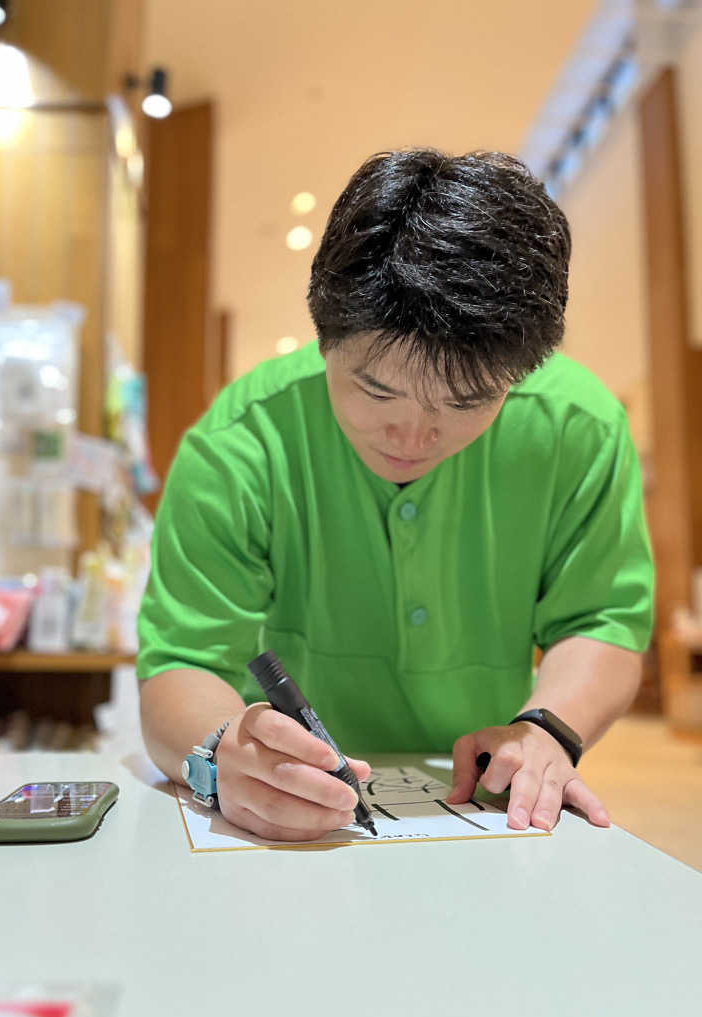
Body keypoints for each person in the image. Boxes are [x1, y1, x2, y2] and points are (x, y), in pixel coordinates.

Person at [137, 148, 654, 842]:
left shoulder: (577, 428)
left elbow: (602, 618)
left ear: (522, 371)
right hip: (291, 815)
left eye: (468, 400)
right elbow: (181, 660)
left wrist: (547, 728)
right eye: (376, 390)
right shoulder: (242, 441)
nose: (412, 433)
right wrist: (222, 750)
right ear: (325, 339)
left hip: (483, 802)